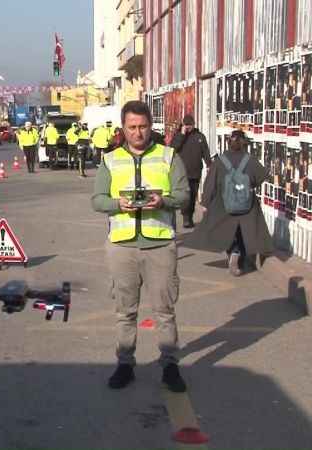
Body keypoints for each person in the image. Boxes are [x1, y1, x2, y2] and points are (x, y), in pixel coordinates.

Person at [91, 100, 190, 392]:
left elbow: (184, 195)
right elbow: (97, 200)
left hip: (159, 244)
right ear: (124, 128)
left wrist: (164, 201)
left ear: (151, 126)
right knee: (125, 310)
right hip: (122, 247)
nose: (138, 133)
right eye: (132, 127)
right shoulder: (109, 160)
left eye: (143, 126)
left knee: (164, 309)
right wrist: (116, 204)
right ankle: (125, 364)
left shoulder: (169, 156)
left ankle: (170, 365)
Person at [196, 129, 274, 276]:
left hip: (224, 203)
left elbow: (210, 183)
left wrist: (205, 203)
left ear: (228, 143)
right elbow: (263, 176)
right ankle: (240, 257)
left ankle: (233, 251)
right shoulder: (249, 160)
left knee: (227, 230)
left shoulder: (220, 161)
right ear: (244, 143)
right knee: (242, 231)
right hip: (246, 204)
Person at [170, 114, 212, 230]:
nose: (188, 127)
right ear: (183, 125)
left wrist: (209, 164)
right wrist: (182, 135)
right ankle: (186, 218)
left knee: (192, 196)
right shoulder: (179, 136)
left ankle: (189, 217)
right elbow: (172, 149)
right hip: (182, 173)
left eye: (190, 125)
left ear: (194, 125)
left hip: (195, 172)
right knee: (185, 197)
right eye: (186, 125)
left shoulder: (200, 137)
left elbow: (205, 152)